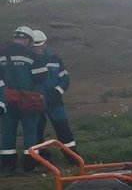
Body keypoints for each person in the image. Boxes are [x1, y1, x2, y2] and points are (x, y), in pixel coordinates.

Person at [0, 26, 48, 174]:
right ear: (28, 40)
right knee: (30, 132)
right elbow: (42, 77)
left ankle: (8, 165)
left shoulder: (2, 53)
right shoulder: (31, 55)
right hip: (28, 100)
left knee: (7, 132)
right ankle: (30, 165)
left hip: (7, 99)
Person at [32, 30, 78, 155]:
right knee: (36, 129)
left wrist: (57, 91)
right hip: (36, 101)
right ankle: (39, 157)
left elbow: (65, 78)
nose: (37, 48)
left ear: (45, 43)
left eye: (39, 45)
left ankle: (72, 156)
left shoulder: (55, 58)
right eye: (34, 46)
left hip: (55, 101)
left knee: (63, 127)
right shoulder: (28, 60)